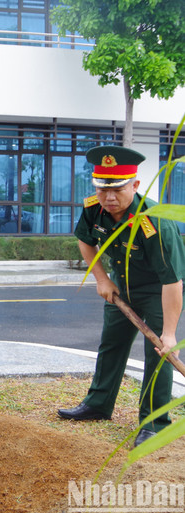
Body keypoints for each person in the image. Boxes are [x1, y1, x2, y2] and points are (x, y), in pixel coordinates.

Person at [57, 145, 185, 448]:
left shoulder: (154, 223)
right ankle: (98, 405)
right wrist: (102, 278)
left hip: (157, 292)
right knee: (111, 345)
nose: (109, 197)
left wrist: (169, 335)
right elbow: (84, 239)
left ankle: (154, 423)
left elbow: (173, 282)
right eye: (102, 189)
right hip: (120, 288)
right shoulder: (93, 208)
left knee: (158, 357)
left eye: (117, 190)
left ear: (135, 185)